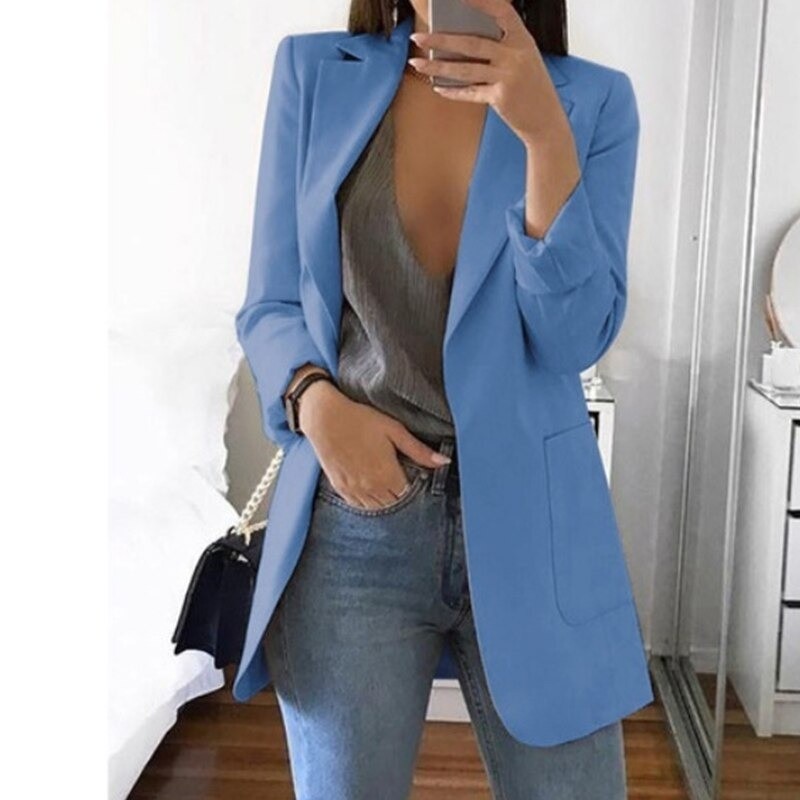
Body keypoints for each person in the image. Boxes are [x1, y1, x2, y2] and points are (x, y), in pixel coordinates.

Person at [234, 0, 651, 797]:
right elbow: (270, 304)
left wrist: (545, 136)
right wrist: (317, 403)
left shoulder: (594, 101)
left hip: (536, 528)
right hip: (355, 523)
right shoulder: (313, 74)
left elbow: (573, 338)